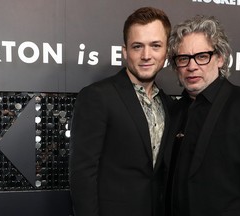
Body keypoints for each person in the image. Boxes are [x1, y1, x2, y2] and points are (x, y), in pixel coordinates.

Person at [165, 15, 240, 216]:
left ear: (220, 58)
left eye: (202, 56)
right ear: (176, 66)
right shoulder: (172, 111)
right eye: (183, 58)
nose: (192, 66)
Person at [69, 7, 172, 216]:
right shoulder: (97, 96)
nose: (146, 55)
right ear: (125, 52)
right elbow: (82, 173)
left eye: (155, 46)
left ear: (166, 51)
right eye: (137, 46)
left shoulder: (168, 104)